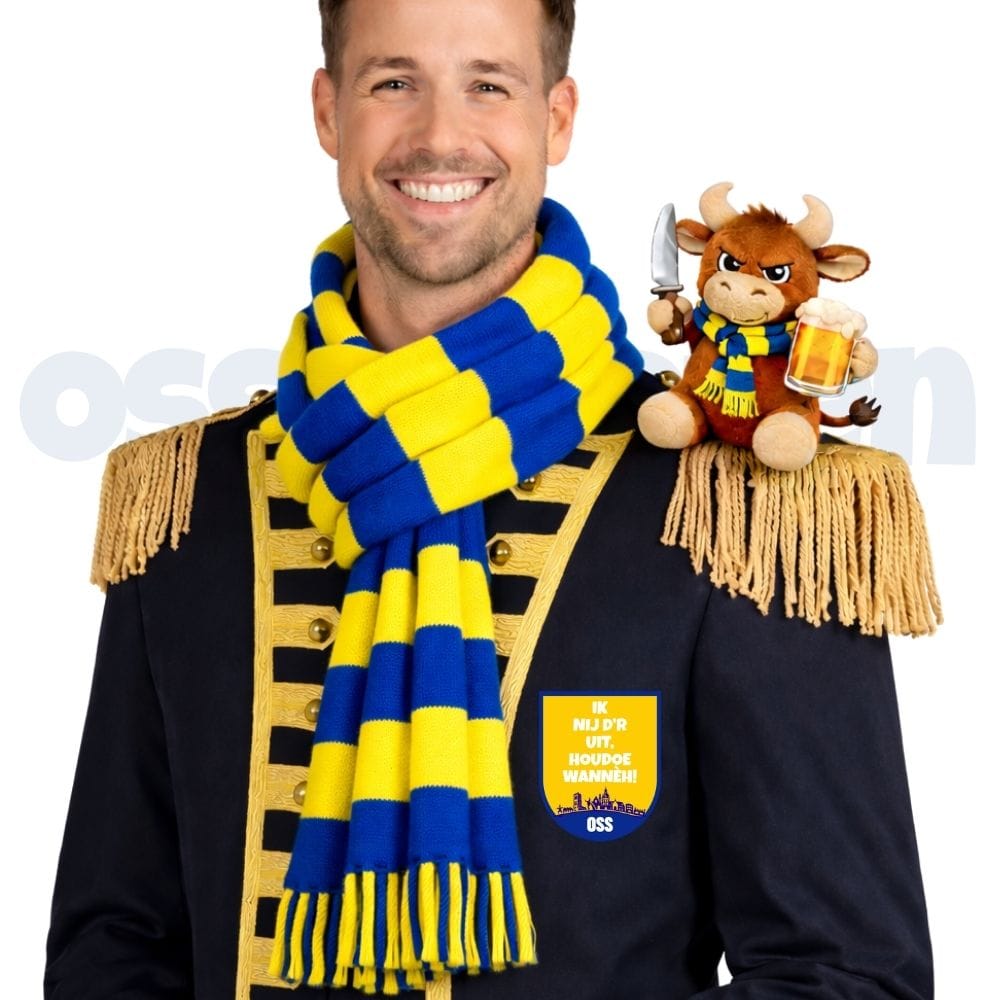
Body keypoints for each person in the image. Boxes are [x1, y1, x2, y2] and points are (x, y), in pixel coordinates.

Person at [45, 1, 935, 998]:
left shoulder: (743, 517)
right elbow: (112, 948)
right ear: (328, 112)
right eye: (393, 82)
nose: (440, 134)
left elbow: (842, 974)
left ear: (556, 118)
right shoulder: (188, 502)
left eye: (488, 85)